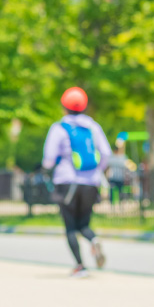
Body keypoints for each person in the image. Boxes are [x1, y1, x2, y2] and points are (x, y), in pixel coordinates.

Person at [43, 86, 112, 278]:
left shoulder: (59, 128)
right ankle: (93, 240)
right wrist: (96, 171)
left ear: (64, 106)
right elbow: (106, 153)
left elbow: (48, 158)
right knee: (84, 224)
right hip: (91, 182)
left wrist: (50, 166)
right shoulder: (93, 127)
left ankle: (80, 266)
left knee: (70, 226)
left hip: (67, 182)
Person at [107, 139, 129, 205]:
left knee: (120, 192)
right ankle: (112, 204)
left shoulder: (123, 157)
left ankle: (120, 204)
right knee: (112, 192)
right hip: (113, 177)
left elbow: (125, 169)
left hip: (120, 177)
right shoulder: (111, 157)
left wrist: (126, 178)